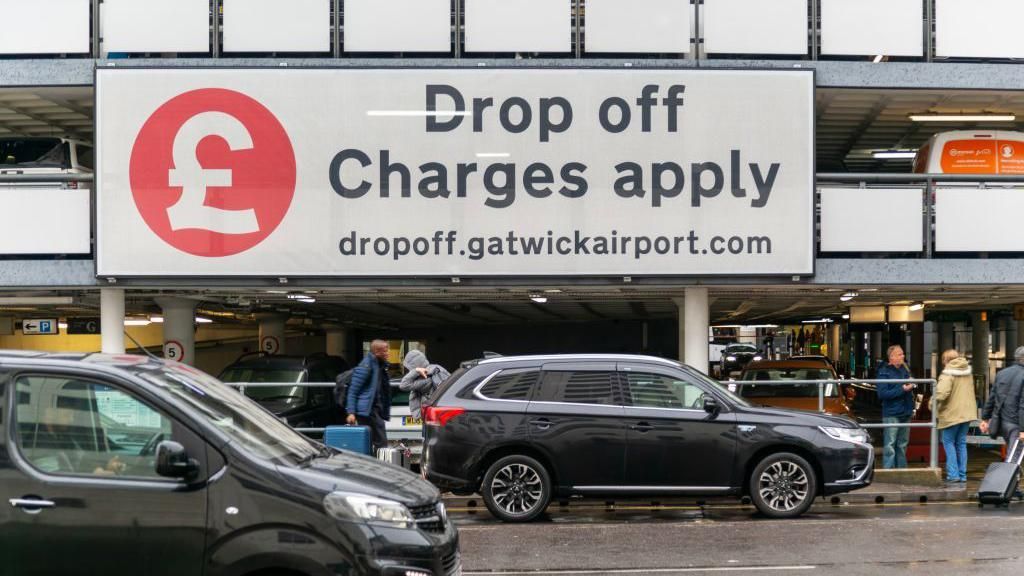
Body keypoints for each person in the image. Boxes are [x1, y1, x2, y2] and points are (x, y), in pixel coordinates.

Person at [934, 349, 974, 484]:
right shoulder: (967, 372)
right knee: (961, 443)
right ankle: (962, 475)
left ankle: (953, 475)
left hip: (952, 414)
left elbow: (941, 393)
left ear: (945, 360)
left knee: (948, 442)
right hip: (967, 414)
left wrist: (930, 403)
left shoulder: (947, 373)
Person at [345, 340, 392, 453]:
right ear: (377, 352)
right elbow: (353, 390)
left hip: (374, 410)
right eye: (385, 351)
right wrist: (351, 412)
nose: (388, 353)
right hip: (367, 411)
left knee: (376, 441)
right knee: (379, 442)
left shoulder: (379, 365)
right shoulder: (366, 366)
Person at [877, 344, 915, 469]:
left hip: (906, 411)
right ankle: (888, 470)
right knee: (890, 444)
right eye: (900, 354)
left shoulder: (905, 370)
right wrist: (903, 389)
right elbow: (882, 394)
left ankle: (902, 469)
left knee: (902, 444)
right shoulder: (884, 372)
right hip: (892, 412)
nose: (903, 356)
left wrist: (911, 385)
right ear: (891, 357)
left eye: (903, 354)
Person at [980, 345, 1024, 452]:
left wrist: (985, 419)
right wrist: (1023, 430)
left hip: (1003, 422)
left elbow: (992, 398)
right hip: (1017, 423)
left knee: (1013, 453)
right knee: (1014, 456)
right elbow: (1023, 405)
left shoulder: (1002, 373)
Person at [400, 349, 450, 419]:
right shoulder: (437, 368)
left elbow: (404, 385)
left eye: (409, 367)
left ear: (415, 365)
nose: (408, 370)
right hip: (440, 411)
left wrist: (416, 370)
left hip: (428, 414)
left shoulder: (424, 376)